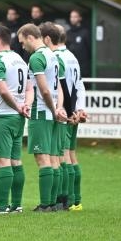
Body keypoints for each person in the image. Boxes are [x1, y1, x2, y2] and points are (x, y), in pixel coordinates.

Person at [17, 23, 67, 212]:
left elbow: (44, 89)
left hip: (42, 113)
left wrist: (54, 110)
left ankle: (45, 203)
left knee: (42, 158)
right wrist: (59, 107)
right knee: (54, 158)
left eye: (23, 42)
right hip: (53, 112)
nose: (23, 47)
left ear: (31, 37)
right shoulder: (53, 55)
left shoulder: (37, 58)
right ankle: (54, 203)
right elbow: (60, 87)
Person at [0, 25, 32, 214]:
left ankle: (3, 206)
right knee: (15, 160)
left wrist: (17, 106)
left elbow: (3, 90)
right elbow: (30, 88)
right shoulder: (20, 59)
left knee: (2, 161)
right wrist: (25, 106)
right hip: (18, 118)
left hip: (3, 117)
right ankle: (17, 204)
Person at [54, 24, 87, 211]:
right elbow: (79, 85)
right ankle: (76, 200)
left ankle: (65, 201)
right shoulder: (72, 56)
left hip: (66, 113)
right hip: (73, 111)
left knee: (63, 155)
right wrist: (79, 109)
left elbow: (65, 88)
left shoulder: (58, 58)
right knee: (72, 155)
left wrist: (69, 110)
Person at [41, 22, 72, 211]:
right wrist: (71, 109)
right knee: (61, 157)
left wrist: (60, 109)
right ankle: (64, 200)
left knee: (56, 157)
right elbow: (73, 86)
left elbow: (63, 87)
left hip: (55, 112)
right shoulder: (68, 57)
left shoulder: (53, 57)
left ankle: (55, 201)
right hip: (62, 111)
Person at [66, 9, 91, 78]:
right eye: (71, 17)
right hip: (70, 67)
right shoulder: (68, 33)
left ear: (80, 18)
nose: (73, 19)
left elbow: (89, 49)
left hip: (83, 69)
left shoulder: (85, 32)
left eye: (75, 17)